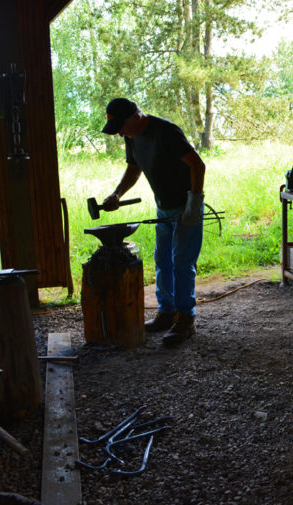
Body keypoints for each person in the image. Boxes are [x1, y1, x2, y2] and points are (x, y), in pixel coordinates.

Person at [100, 98, 206, 344]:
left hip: (185, 207)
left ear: (135, 117)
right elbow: (134, 168)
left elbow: (197, 165)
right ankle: (166, 313)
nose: (120, 135)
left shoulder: (165, 131)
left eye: (122, 128)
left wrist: (194, 202)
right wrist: (117, 194)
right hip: (164, 208)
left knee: (182, 263)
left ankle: (185, 319)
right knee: (163, 261)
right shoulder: (131, 135)